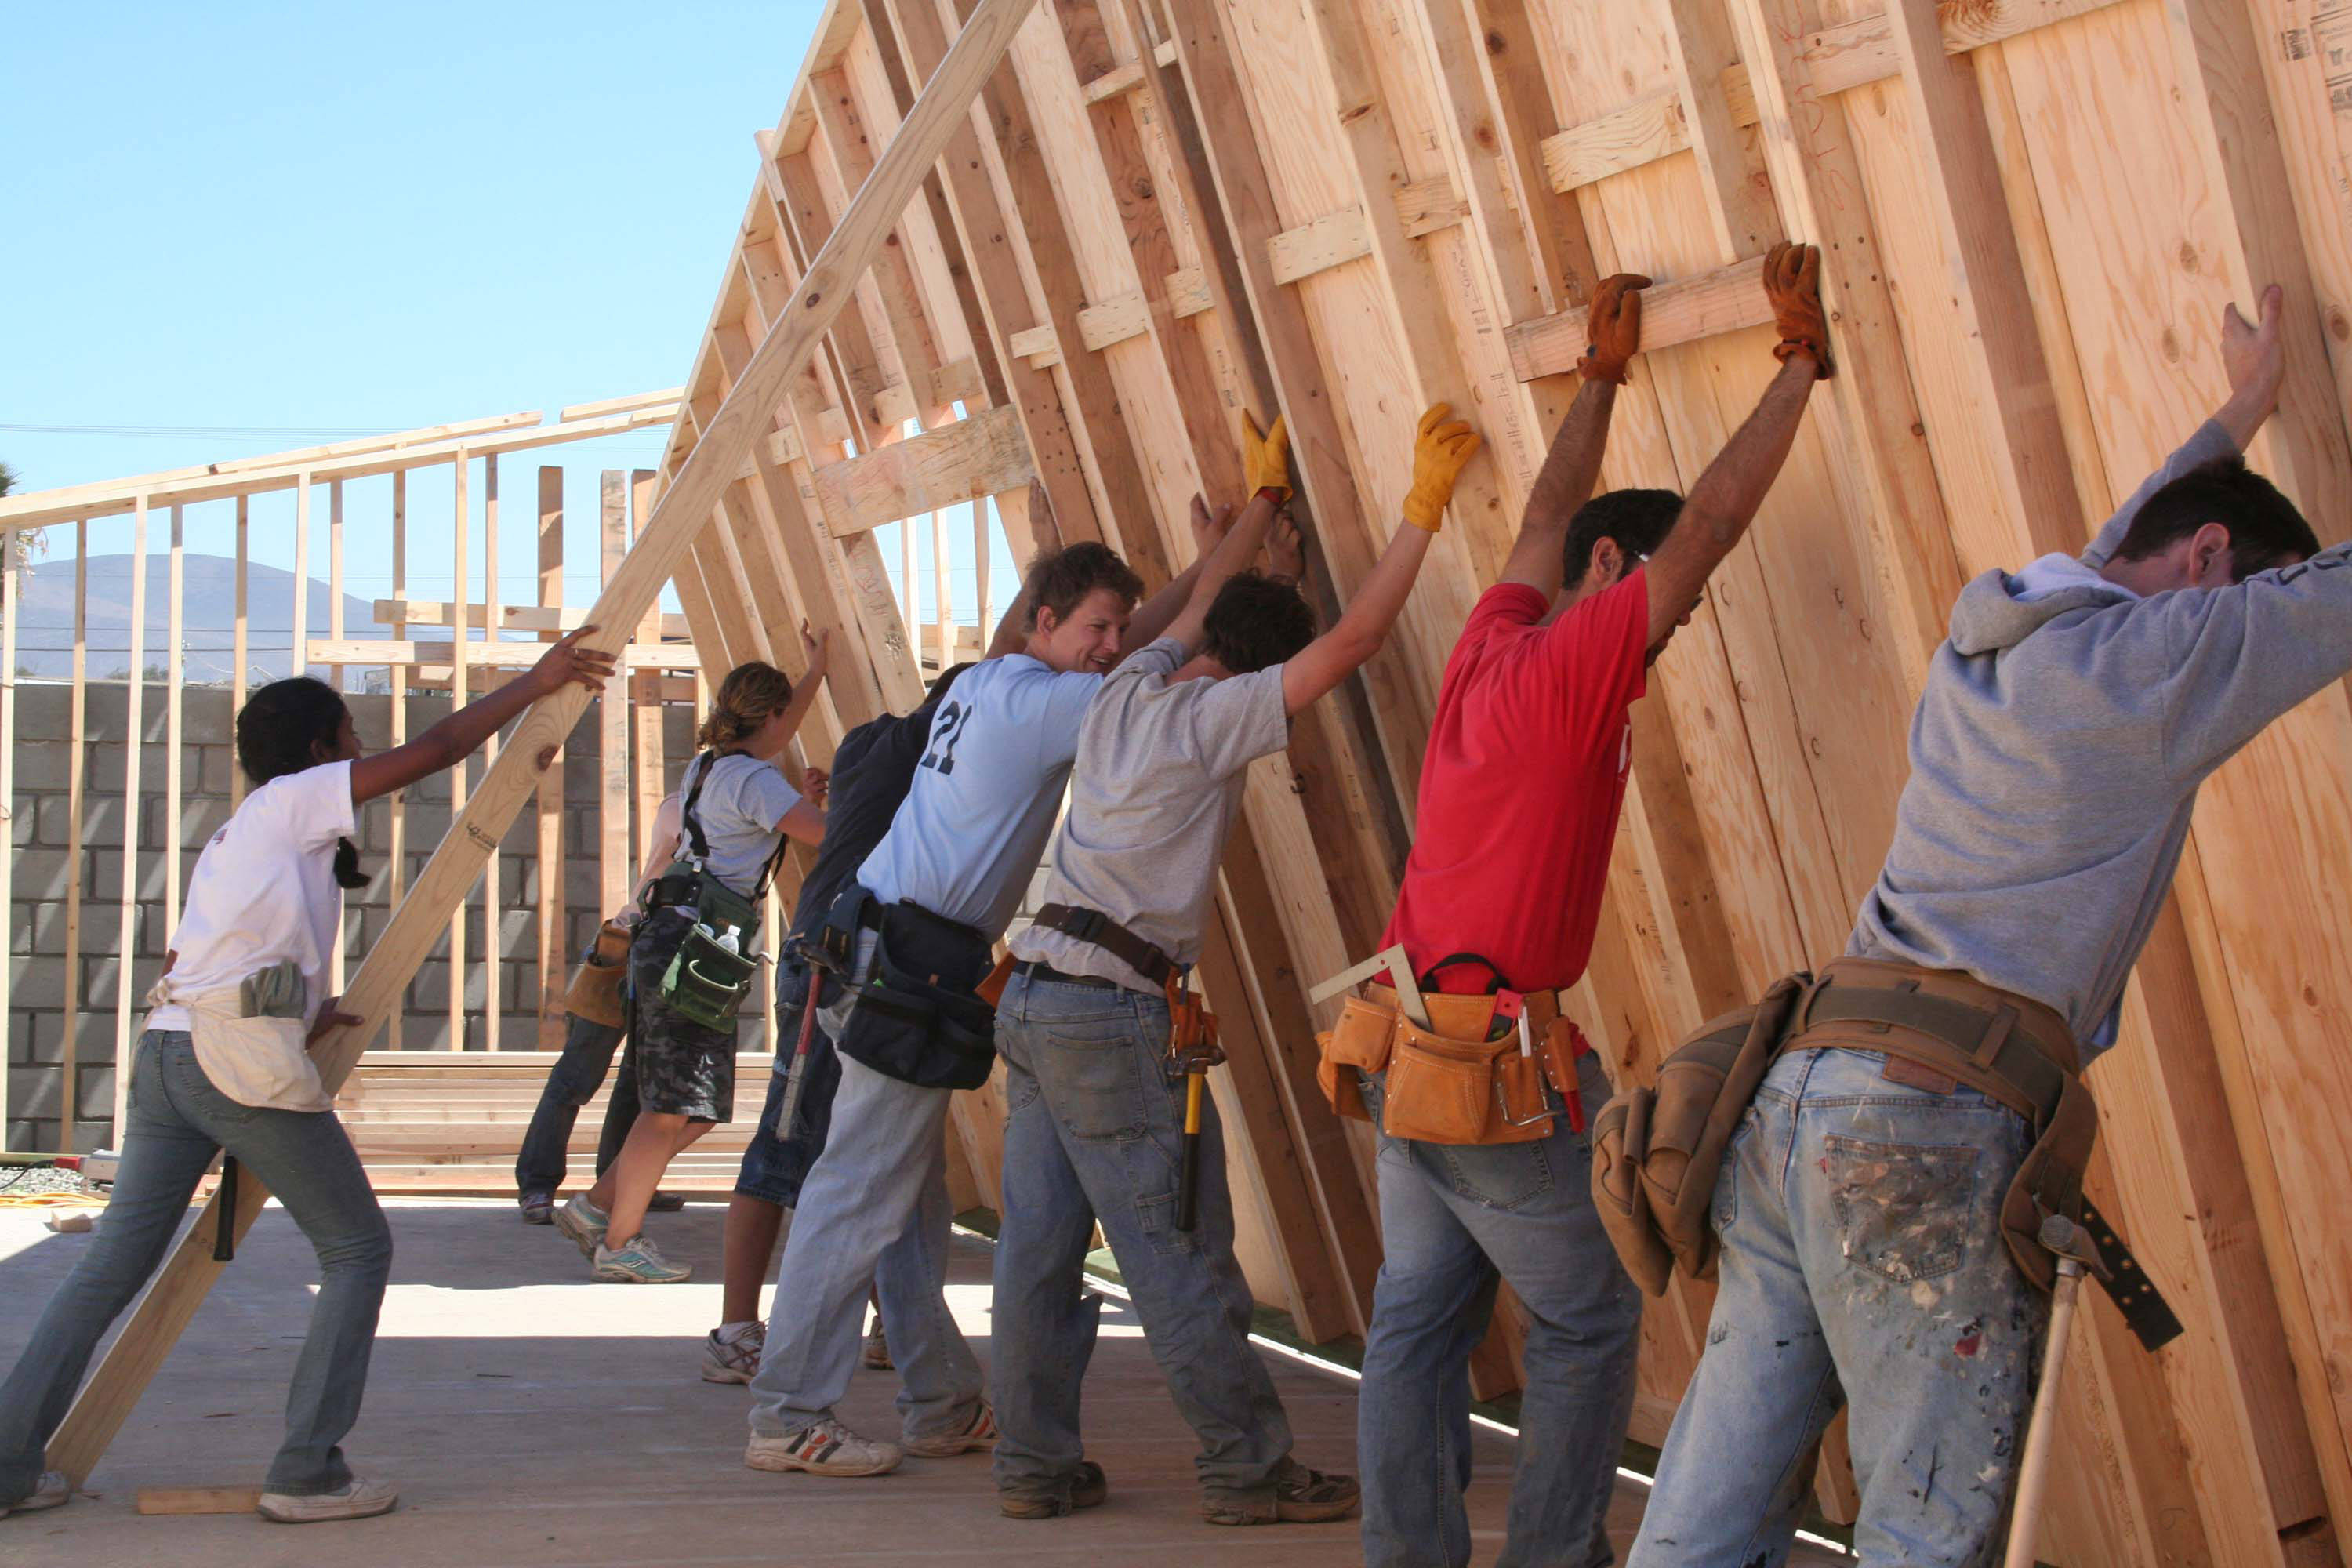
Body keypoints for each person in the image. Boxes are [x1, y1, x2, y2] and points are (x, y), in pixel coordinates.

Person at [1629, 288, 2328, 1566]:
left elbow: (2139, 540)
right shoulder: (2165, 659)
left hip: (1795, 1103)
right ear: (2217, 568)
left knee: (1706, 1520)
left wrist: (2241, 408)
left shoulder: (2012, 634)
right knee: (1929, 1523)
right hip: (1923, 1130)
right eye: (2238, 600)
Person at [1354, 248, 1831, 1568]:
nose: (1664, 632)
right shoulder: (1573, 666)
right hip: (1494, 1074)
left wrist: (1598, 381)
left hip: (1411, 1051)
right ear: (1616, 567)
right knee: (1585, 1324)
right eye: (1654, 601)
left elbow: (1537, 525)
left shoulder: (1492, 643)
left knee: (1414, 1323)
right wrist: (1799, 369)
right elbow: (1713, 530)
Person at [0, 629, 615, 1525]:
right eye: (351, 733)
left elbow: (202, 951)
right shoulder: (291, 801)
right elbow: (436, 751)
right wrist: (537, 679)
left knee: (111, 1264)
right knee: (359, 1248)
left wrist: (297, 1011)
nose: (363, 748)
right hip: (226, 1063)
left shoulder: (249, 830)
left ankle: (9, 1465)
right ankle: (308, 1471)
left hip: (171, 1049)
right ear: (317, 750)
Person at [993, 401, 1478, 1525]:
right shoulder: (1211, 719)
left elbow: (1203, 602)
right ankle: (1248, 1471)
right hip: (1112, 1018)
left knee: (1040, 1252)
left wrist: (1261, 511)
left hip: (1033, 995)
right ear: (1258, 675)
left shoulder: (1127, 687)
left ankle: (1033, 1467)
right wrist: (1420, 515)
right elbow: (1349, 645)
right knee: (1176, 1256)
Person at [741, 510, 1232, 1480]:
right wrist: (1233, 559)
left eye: (1112, 628)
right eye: (1093, 628)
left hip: (875, 942)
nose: (1106, 648)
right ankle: (787, 1409)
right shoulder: (1044, 702)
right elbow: (1159, 674)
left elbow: (1136, 642)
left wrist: (1215, 557)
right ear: (1041, 622)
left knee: (900, 1196)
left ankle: (936, 1400)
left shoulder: (989, 676)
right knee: (854, 1195)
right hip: (908, 959)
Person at [701, 660, 972, 1384]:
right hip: (837, 961)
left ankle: (894, 1321)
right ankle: (738, 1333)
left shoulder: (868, 742)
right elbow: (833, 832)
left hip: (841, 955)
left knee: (873, 1147)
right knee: (788, 1148)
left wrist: (820, 670)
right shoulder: (924, 762)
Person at [554, 641, 830, 1283]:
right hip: (697, 947)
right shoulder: (755, 779)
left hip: (673, 936)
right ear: (770, 718)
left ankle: (597, 1209)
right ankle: (620, 1240)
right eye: (784, 718)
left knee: (695, 1104)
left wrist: (814, 672)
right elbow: (829, 832)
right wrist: (833, 802)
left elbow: (786, 792)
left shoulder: (709, 768)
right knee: (673, 1105)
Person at [513, 791, 682, 1225]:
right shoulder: (685, 803)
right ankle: (537, 1184)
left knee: (638, 1081)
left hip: (675, 957)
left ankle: (621, 1181)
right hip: (628, 945)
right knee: (576, 1076)